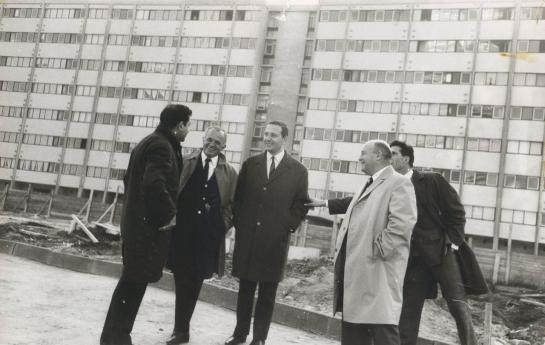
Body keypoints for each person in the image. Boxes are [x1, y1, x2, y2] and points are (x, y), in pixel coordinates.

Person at [306, 140, 417, 345]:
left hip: (376, 272)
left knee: (382, 330)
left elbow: (402, 224)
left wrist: (378, 250)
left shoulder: (399, 182)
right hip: (358, 273)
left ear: (378, 155)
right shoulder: (368, 183)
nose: (359, 158)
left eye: (363, 153)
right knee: (354, 332)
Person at [100, 104, 192, 345]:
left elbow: (129, 179)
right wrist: (169, 215)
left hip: (136, 227)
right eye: (188, 125)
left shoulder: (148, 142)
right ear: (179, 125)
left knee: (130, 284)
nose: (188, 130)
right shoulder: (162, 146)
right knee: (133, 286)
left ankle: (113, 338)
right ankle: (117, 338)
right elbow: (153, 183)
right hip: (147, 231)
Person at [390, 140, 487, 345]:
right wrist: (328, 204)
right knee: (408, 309)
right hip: (413, 259)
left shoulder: (432, 180)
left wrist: (452, 243)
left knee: (457, 305)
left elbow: (457, 212)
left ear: (405, 159)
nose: (389, 158)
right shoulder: (391, 185)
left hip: (441, 254)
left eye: (393, 154)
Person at [225, 121, 309, 345]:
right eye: (266, 134)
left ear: (284, 139)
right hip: (249, 240)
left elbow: (300, 204)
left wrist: (286, 226)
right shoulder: (251, 164)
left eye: (273, 135)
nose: (268, 138)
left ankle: (260, 339)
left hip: (275, 243)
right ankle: (239, 334)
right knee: (245, 290)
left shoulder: (298, 171)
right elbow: (239, 199)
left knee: (267, 294)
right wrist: (242, 226)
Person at [166, 126, 238, 345]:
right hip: (183, 235)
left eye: (217, 142)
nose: (212, 145)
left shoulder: (230, 173)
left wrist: (221, 226)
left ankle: (182, 330)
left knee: (196, 281)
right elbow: (173, 192)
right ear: (203, 140)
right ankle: (180, 330)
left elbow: (232, 205)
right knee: (181, 279)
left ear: (224, 147)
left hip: (207, 238)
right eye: (209, 140)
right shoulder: (186, 162)